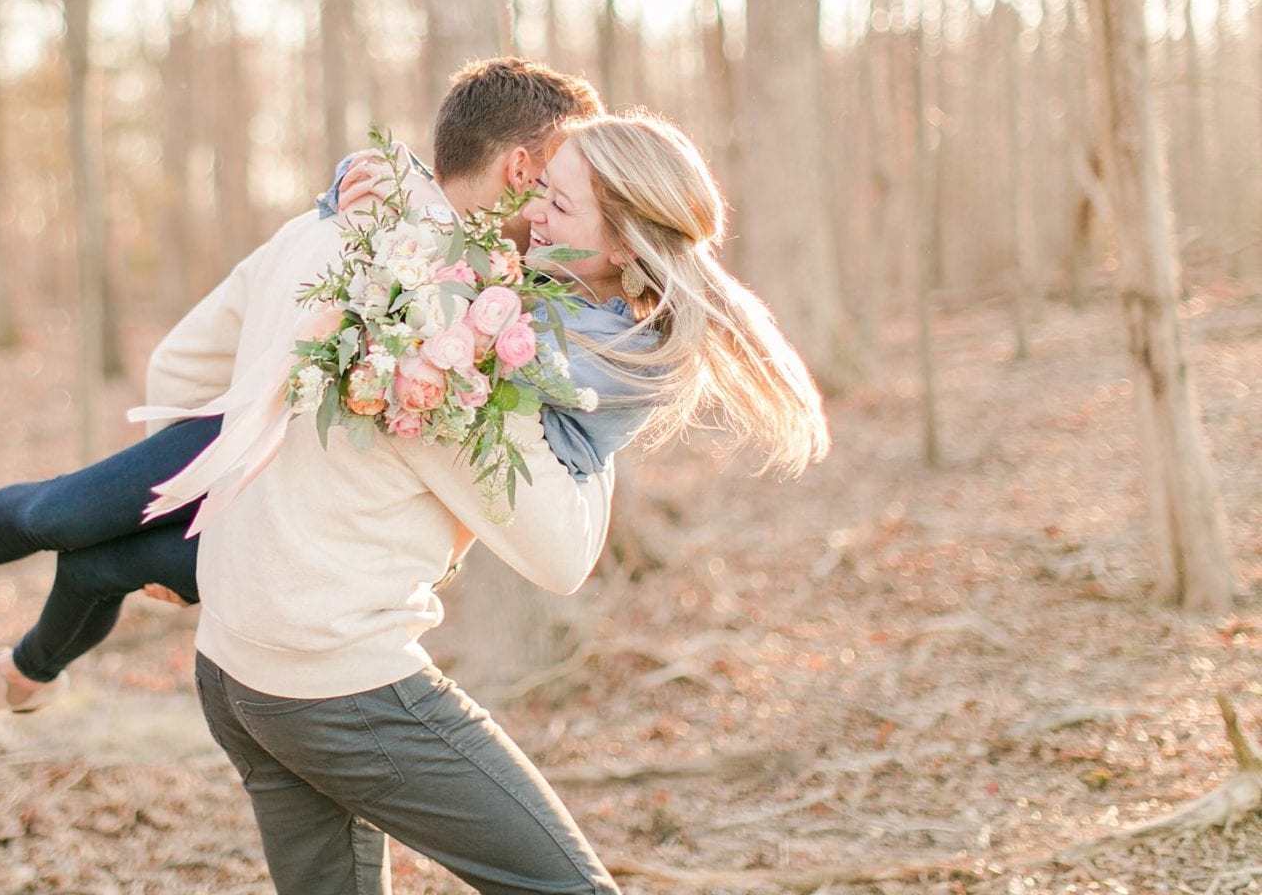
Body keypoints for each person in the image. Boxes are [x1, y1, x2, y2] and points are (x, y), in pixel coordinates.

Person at [0, 58, 611, 715]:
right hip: (222, 453)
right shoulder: (343, 227)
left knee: (98, 563)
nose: (566, 204)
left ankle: (22, 675)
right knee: (58, 517)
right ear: (521, 169)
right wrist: (183, 476)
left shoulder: (512, 300)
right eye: (562, 179)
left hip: (314, 541)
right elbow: (201, 343)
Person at [168, 107, 829, 893]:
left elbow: (182, 366)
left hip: (235, 666)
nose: (530, 213)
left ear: (621, 245)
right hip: (333, 684)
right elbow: (564, 558)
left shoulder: (448, 282)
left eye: (557, 203)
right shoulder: (460, 347)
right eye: (540, 189)